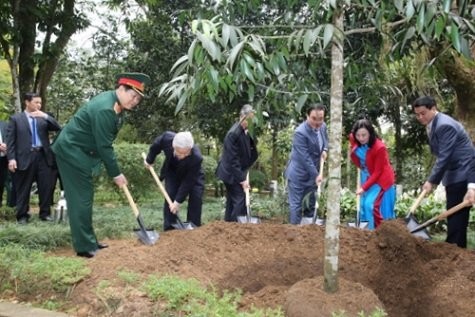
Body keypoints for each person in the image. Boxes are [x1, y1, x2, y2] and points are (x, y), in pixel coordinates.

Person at [52, 72, 150, 258]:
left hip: (80, 152)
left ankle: (88, 241)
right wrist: (117, 174)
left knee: (84, 197)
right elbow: (104, 146)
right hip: (71, 152)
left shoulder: (116, 105)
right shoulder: (105, 109)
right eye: (133, 95)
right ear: (121, 88)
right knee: (81, 199)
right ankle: (84, 247)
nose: (135, 101)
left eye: (138, 98)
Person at [412, 96, 474, 248]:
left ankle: (455, 250)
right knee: (454, 215)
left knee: (456, 216)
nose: (420, 117)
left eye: (423, 113)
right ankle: (455, 248)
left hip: (463, 171)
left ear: (433, 108)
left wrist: (431, 180)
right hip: (454, 173)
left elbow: (444, 156)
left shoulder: (444, 125)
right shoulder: (434, 124)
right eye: (417, 114)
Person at [6, 93, 61, 223]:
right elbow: (11, 141)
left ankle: (45, 214)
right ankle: (22, 216)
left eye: (40, 103)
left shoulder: (43, 118)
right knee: (23, 187)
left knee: (46, 186)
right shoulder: (16, 119)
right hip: (24, 157)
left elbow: (58, 128)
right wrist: (11, 159)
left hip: (43, 156)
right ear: (27, 102)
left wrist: (46, 116)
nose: (39, 105)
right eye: (36, 102)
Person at [144, 131, 205, 231]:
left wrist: (177, 202)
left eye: (186, 153)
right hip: (173, 171)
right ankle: (170, 228)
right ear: (173, 146)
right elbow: (155, 146)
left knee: (196, 197)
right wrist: (149, 160)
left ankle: (194, 228)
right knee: (171, 194)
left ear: (190, 148)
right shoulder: (167, 138)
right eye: (179, 152)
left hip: (193, 175)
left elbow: (188, 182)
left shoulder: (197, 158)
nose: (182, 156)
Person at [284, 104, 328, 224]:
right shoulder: (300, 133)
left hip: (312, 177)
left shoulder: (323, 126)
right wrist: (316, 175)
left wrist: (325, 150)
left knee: (311, 205)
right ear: (307, 116)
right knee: (296, 207)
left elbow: (325, 141)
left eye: (320, 119)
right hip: (298, 176)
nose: (317, 122)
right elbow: (305, 159)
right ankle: (294, 235)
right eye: (314, 118)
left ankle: (309, 236)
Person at [349, 118, 396, 230]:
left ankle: (378, 232)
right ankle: (365, 232)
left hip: (380, 180)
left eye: (364, 135)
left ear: (370, 133)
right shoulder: (353, 138)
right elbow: (352, 140)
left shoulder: (379, 148)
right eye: (358, 135)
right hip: (366, 176)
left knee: (370, 205)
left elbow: (378, 172)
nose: (361, 138)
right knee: (362, 205)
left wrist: (363, 188)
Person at [216, 104, 258, 222]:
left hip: (238, 171)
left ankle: (228, 226)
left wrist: (246, 168)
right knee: (240, 199)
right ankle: (236, 228)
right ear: (241, 117)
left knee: (232, 201)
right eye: (248, 119)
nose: (250, 122)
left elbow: (250, 151)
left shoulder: (245, 131)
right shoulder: (233, 134)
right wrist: (242, 180)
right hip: (230, 174)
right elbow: (232, 160)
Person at [0, 120, 8, 207]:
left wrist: (6, 145)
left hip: (3, 159)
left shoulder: (4, 124)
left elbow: (10, 137)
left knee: (1, 183)